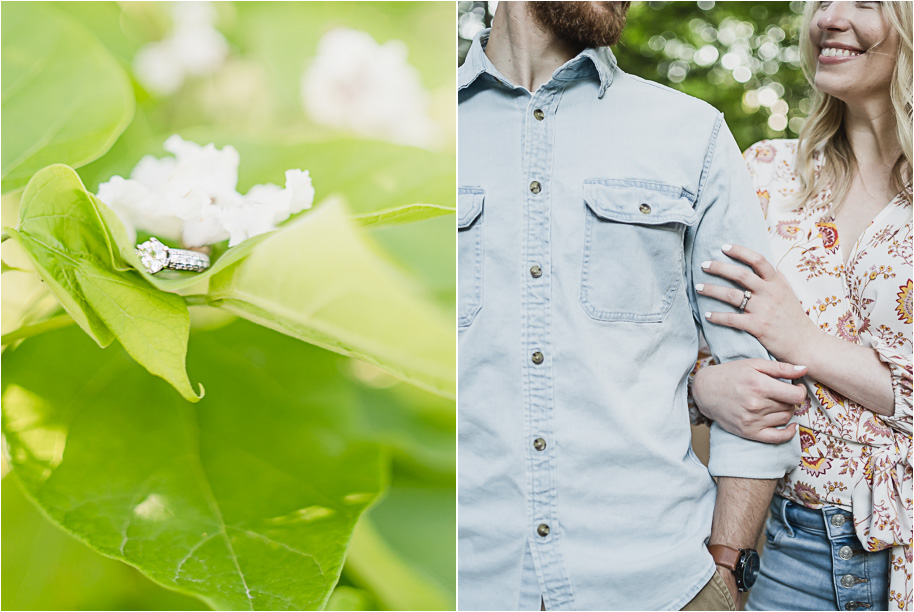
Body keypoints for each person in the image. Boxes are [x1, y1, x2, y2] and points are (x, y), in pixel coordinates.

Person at [457, 2, 805, 610]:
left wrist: (727, 568)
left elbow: (760, 377)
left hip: (662, 584)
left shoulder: (690, 132)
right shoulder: (412, 137)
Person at [690, 2, 912, 610]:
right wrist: (702, 391)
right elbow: (685, 343)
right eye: (821, 0)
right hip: (792, 549)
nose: (830, 17)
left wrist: (805, 342)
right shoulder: (766, 175)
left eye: (865, 1)